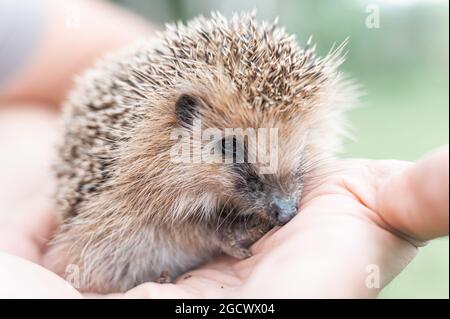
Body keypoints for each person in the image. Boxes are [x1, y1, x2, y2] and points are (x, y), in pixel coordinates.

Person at [0, 0, 448, 298]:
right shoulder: (144, 175)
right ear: (186, 121)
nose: (284, 204)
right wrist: (210, 234)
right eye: (238, 154)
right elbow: (120, 246)